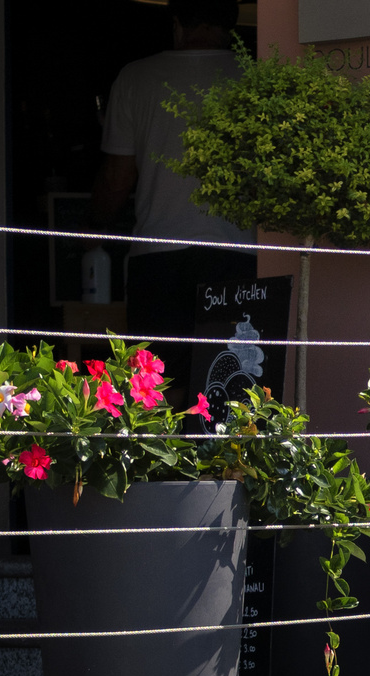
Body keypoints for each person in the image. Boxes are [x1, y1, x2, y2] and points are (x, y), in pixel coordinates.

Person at [89, 0, 255, 404]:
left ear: (177, 25)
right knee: (230, 389)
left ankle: (162, 468)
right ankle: (224, 465)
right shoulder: (254, 78)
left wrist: (90, 231)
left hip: (157, 256)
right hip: (235, 251)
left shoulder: (136, 78)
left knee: (158, 387)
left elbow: (117, 178)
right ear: (232, 26)